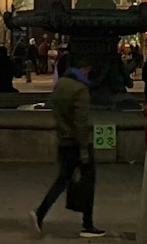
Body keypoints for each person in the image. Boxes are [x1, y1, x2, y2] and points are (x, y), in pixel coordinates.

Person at [30, 57, 103, 238]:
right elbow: (80, 122)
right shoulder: (81, 89)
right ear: (84, 69)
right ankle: (87, 224)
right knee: (88, 182)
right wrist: (84, 149)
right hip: (77, 144)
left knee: (62, 181)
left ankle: (40, 213)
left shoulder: (61, 84)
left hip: (64, 141)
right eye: (87, 70)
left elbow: (56, 111)